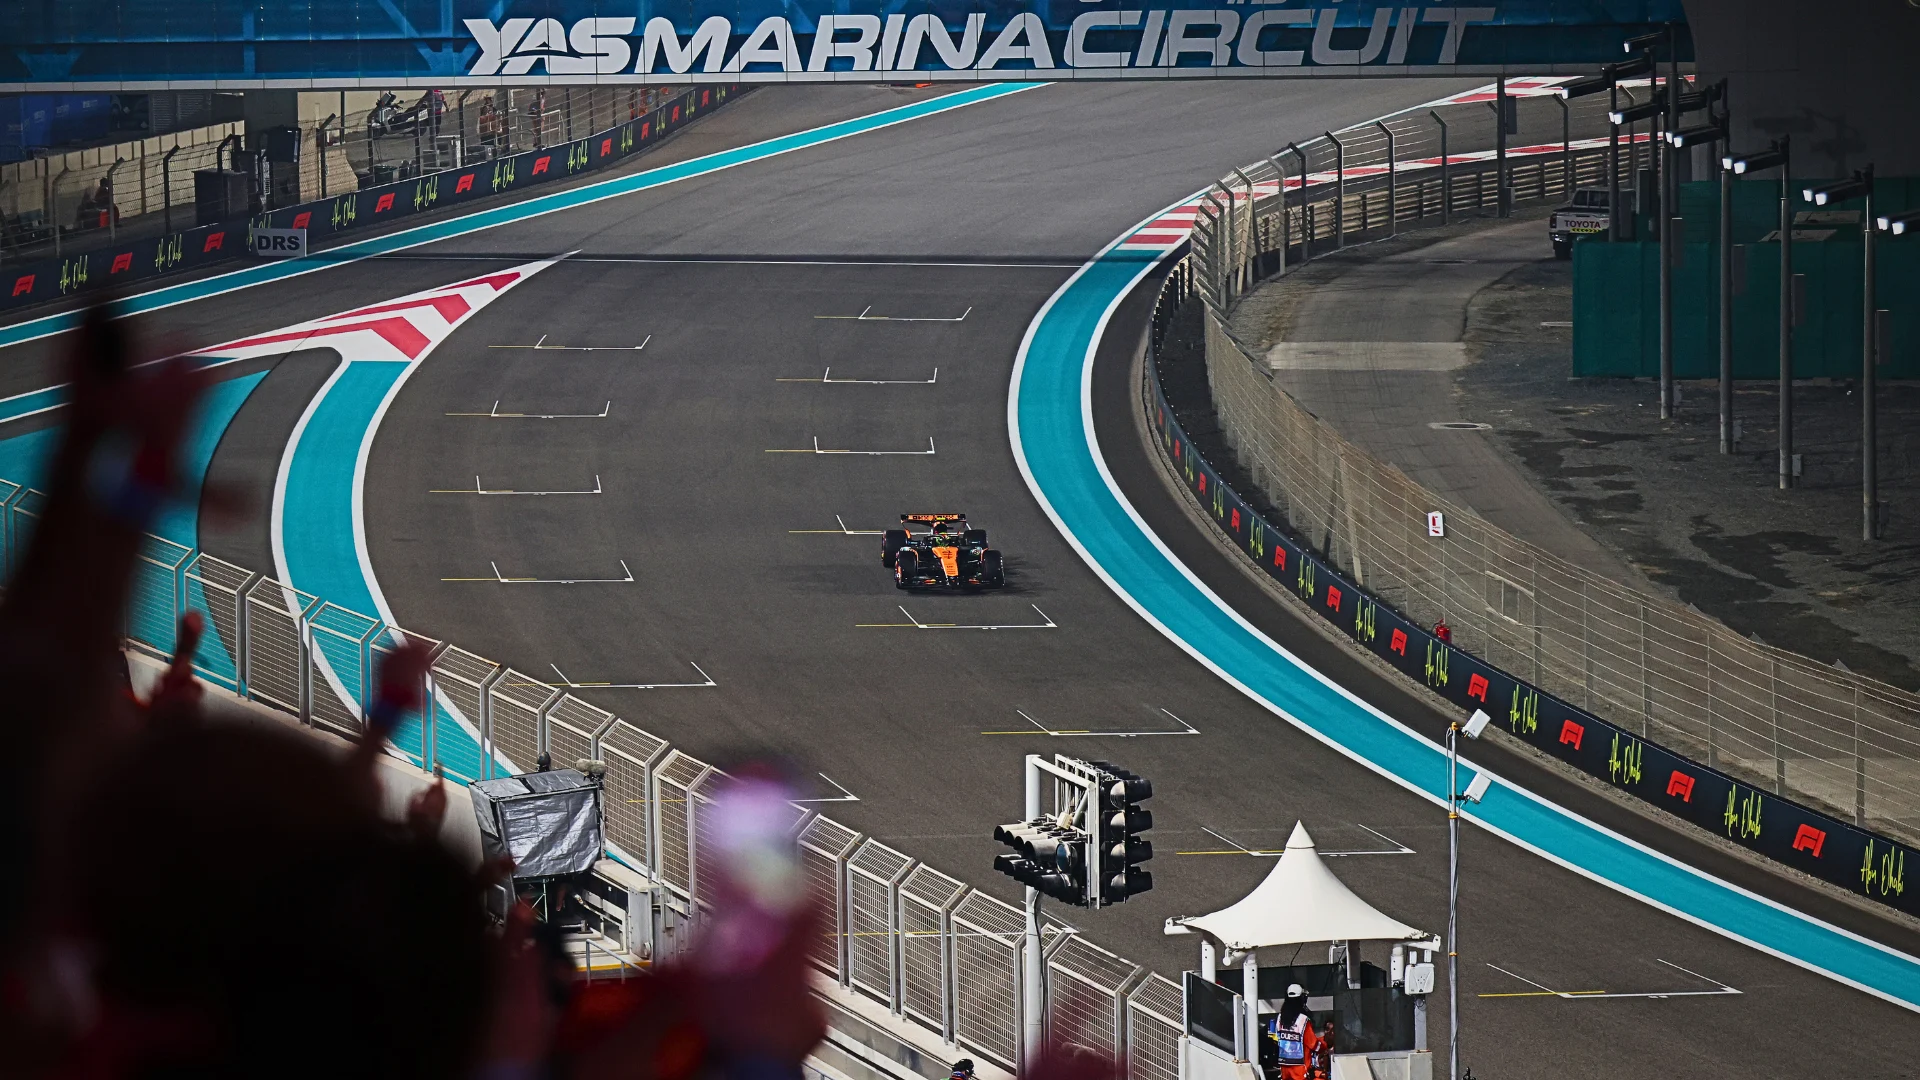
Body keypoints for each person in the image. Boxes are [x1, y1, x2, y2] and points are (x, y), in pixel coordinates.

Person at [1266, 983, 1326, 1080]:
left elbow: (1277, 1038)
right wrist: (1325, 1044)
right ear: (1302, 999)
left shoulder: (1280, 1018)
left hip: (1284, 1067)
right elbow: (1313, 1044)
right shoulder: (1303, 1020)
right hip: (1300, 1068)